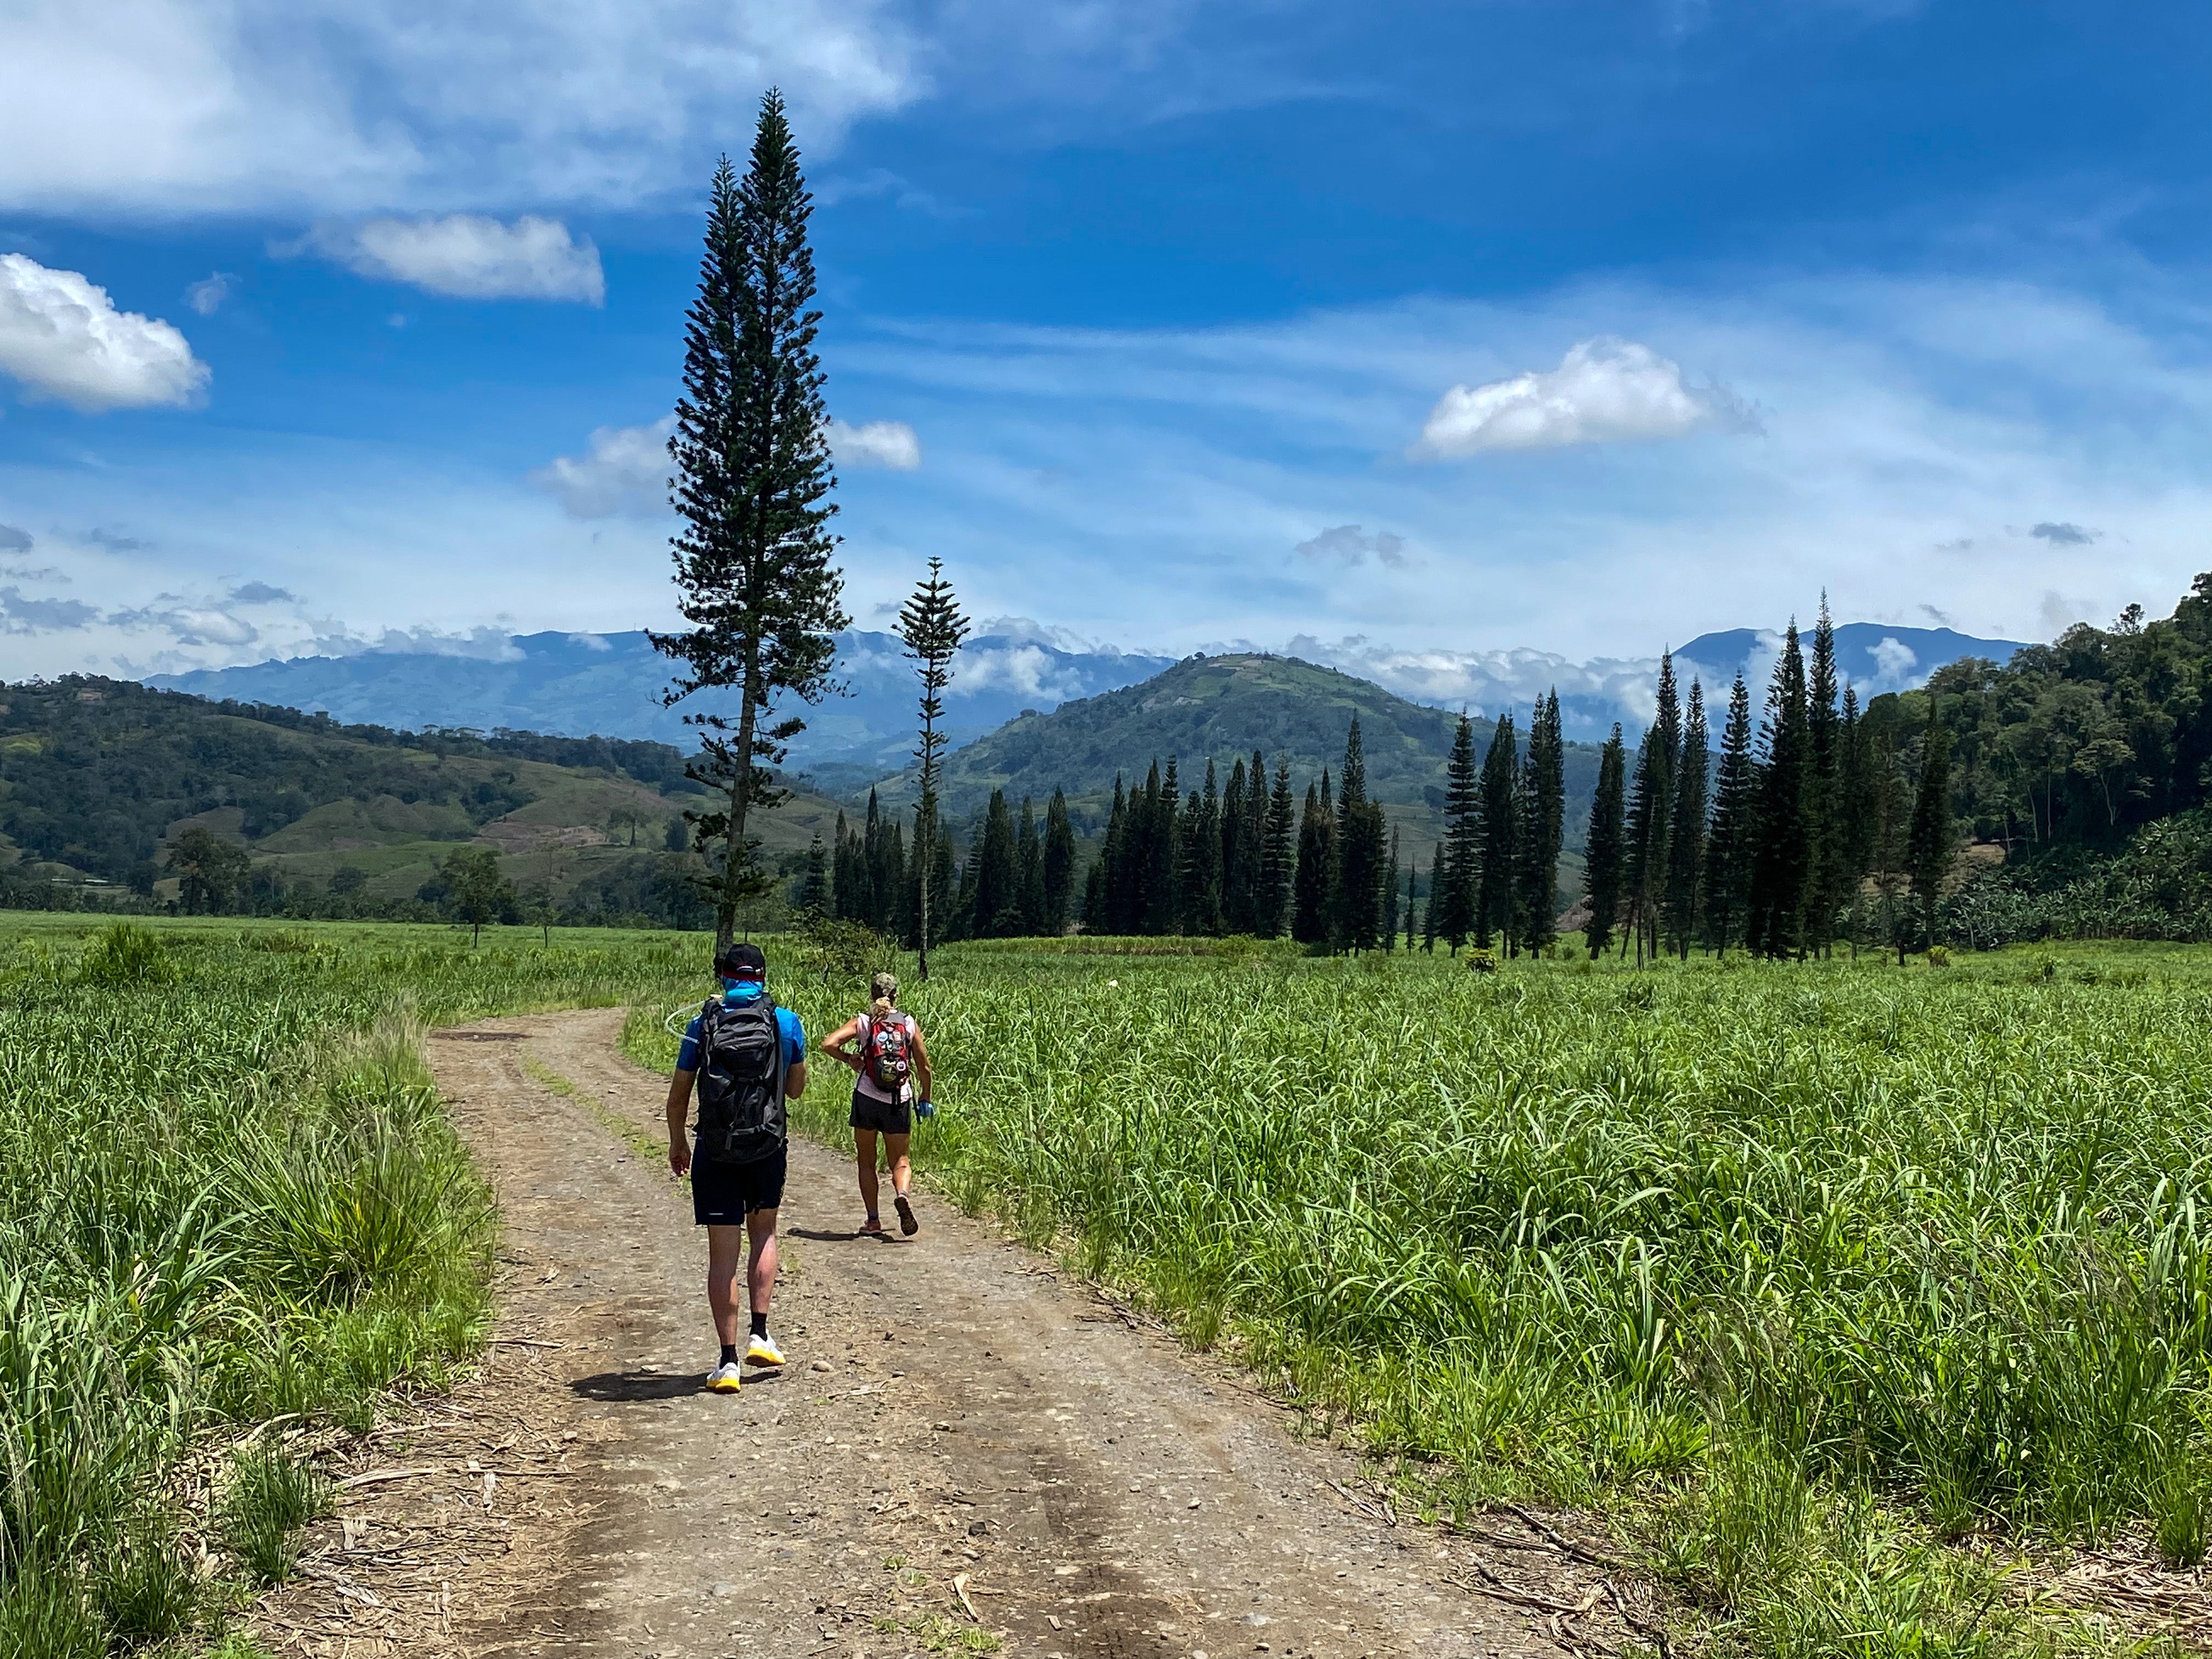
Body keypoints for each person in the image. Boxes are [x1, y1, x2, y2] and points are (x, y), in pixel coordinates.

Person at [665, 941, 806, 1393]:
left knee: (722, 1255)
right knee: (764, 1231)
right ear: (763, 977)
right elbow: (797, 1090)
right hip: (767, 1145)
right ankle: (760, 1334)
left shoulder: (701, 1023)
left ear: (722, 976)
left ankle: (727, 1363)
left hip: (715, 1148)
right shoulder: (784, 1022)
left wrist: (677, 1141)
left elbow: (679, 1094)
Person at [819, 971, 933, 1237]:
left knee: (866, 1162)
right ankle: (902, 1194)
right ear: (895, 996)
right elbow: (924, 1067)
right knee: (901, 1160)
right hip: (898, 1100)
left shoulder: (864, 1022)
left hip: (867, 1099)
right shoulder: (908, 1023)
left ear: (872, 995)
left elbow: (828, 1044)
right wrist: (925, 1096)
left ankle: (873, 1220)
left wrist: (850, 1059)